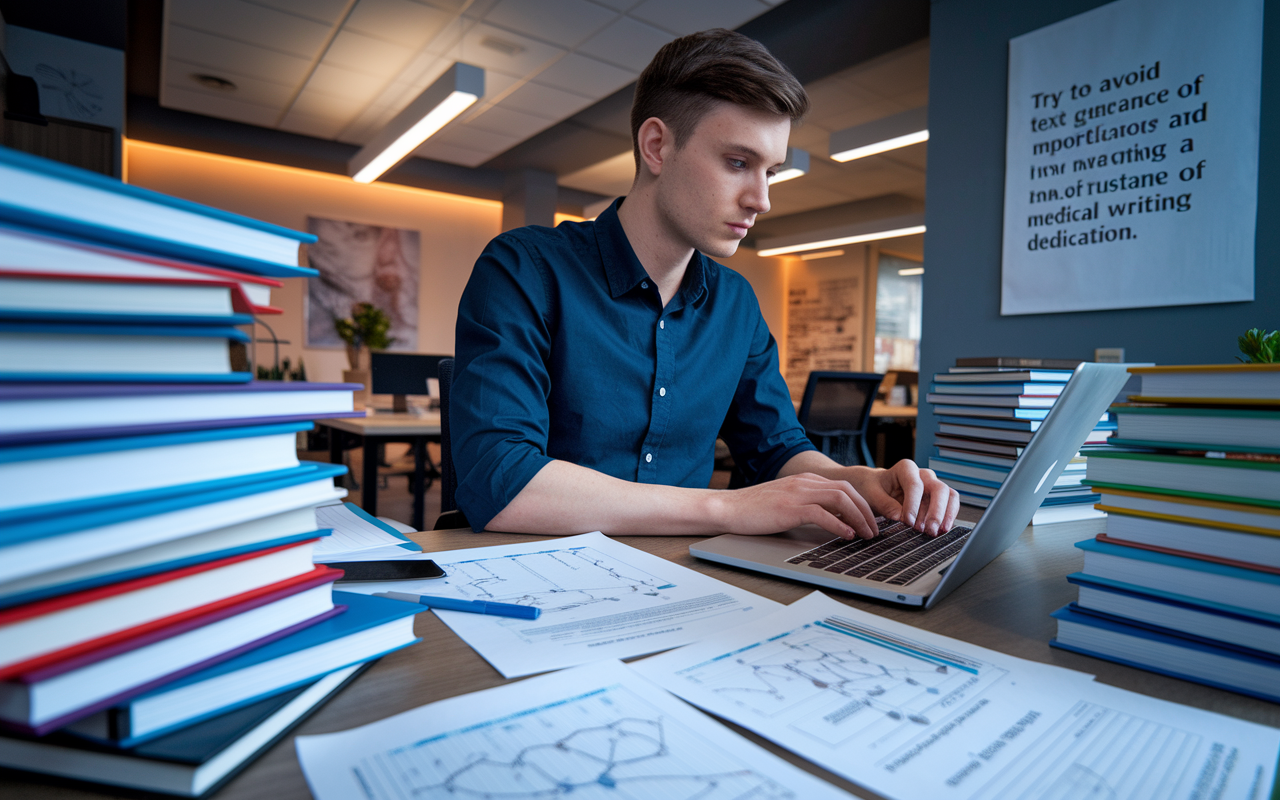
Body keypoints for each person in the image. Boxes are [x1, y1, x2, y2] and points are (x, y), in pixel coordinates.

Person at [451, 29, 958, 539]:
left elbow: (777, 449)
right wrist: (727, 508)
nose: (761, 200)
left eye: (771, 172)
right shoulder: (523, 269)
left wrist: (852, 480)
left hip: (687, 579)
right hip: (538, 576)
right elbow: (501, 479)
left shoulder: (735, 304)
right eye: (739, 163)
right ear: (657, 146)